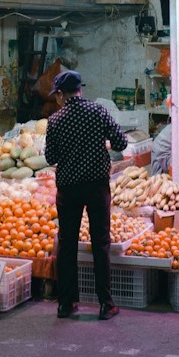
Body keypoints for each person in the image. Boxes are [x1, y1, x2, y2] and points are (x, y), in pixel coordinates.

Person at [43, 70, 128, 321]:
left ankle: (65, 304)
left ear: (60, 94)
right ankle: (106, 304)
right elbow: (121, 143)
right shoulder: (98, 112)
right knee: (100, 243)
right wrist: (100, 144)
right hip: (97, 186)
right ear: (81, 89)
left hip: (68, 189)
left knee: (67, 244)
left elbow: (50, 158)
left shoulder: (56, 120)